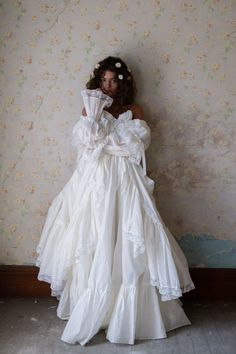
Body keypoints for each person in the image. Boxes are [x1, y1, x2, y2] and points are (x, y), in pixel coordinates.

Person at [35, 56, 195, 346]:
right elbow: (87, 143)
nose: (107, 86)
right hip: (96, 182)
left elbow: (136, 144)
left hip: (126, 183)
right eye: (103, 80)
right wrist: (101, 130)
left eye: (113, 80)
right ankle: (96, 306)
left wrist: (107, 142)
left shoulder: (134, 110)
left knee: (131, 238)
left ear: (122, 82)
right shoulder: (90, 108)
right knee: (96, 236)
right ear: (98, 82)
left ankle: (130, 312)